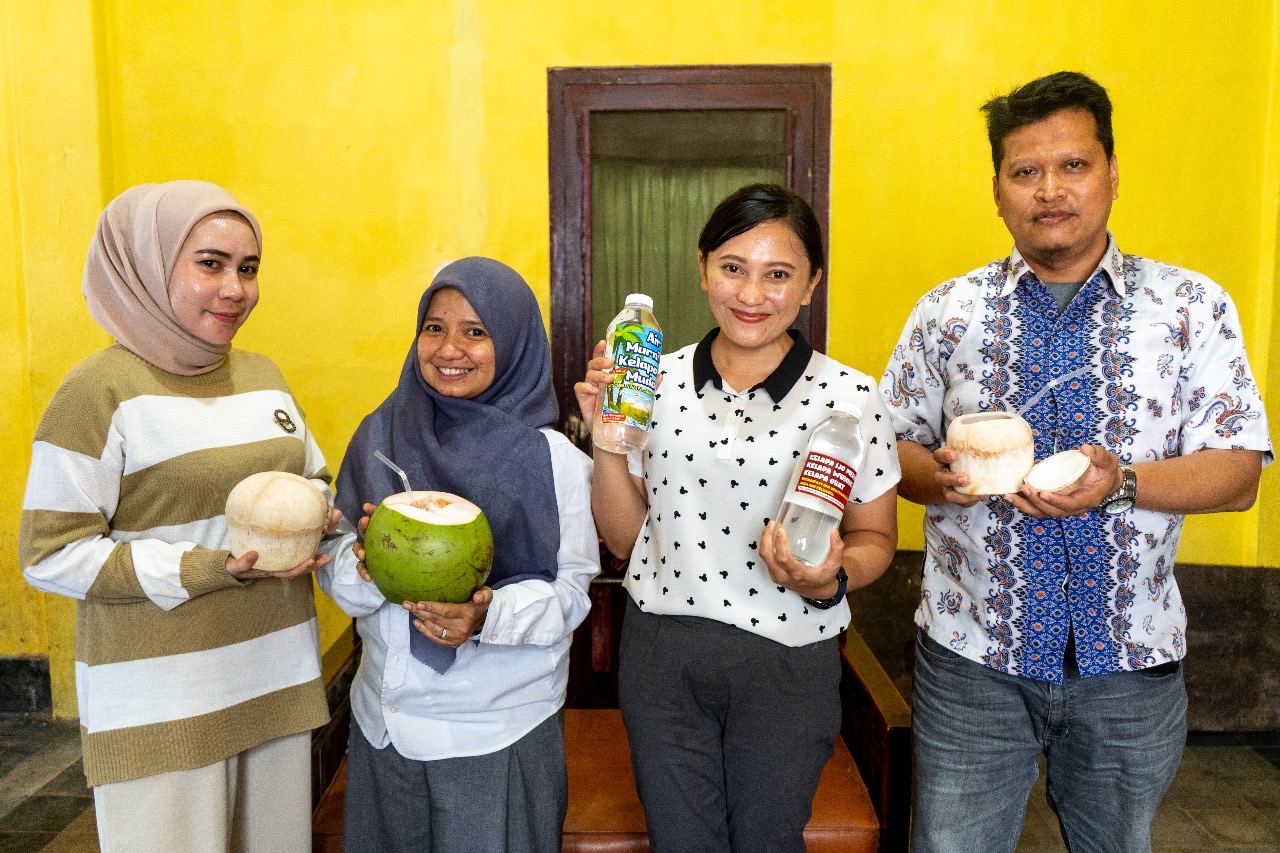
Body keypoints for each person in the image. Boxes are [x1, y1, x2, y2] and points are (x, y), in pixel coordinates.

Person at [879, 71, 1273, 853]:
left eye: (1073, 165)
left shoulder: (1193, 308)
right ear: (997, 190)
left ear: (1113, 174)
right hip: (972, 660)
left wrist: (1120, 485)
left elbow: (1239, 472)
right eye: (1025, 171)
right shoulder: (947, 311)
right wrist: (944, 477)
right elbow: (889, 448)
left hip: (1130, 662)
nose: (1049, 190)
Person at [576, 183, 900, 853]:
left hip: (786, 664)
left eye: (778, 273)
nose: (752, 294)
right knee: (681, 843)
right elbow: (625, 540)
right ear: (702, 268)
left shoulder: (851, 394)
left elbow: (876, 538)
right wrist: (607, 440)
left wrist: (828, 579)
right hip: (663, 657)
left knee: (766, 843)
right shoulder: (652, 383)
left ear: (810, 283)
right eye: (732, 268)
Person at [19, 180, 340, 852]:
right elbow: (50, 552)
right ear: (143, 265)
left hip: (274, 678)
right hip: (163, 705)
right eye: (209, 263)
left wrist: (326, 515)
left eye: (248, 268)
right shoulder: (98, 391)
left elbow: (310, 477)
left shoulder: (263, 376)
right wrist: (206, 567)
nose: (235, 289)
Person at [320, 256, 599, 853]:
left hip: (493, 734)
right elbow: (335, 555)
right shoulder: (380, 433)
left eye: (477, 331)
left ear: (516, 344)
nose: (451, 348)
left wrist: (486, 615)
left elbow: (573, 593)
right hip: (382, 727)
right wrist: (370, 567)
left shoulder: (553, 460)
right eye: (434, 327)